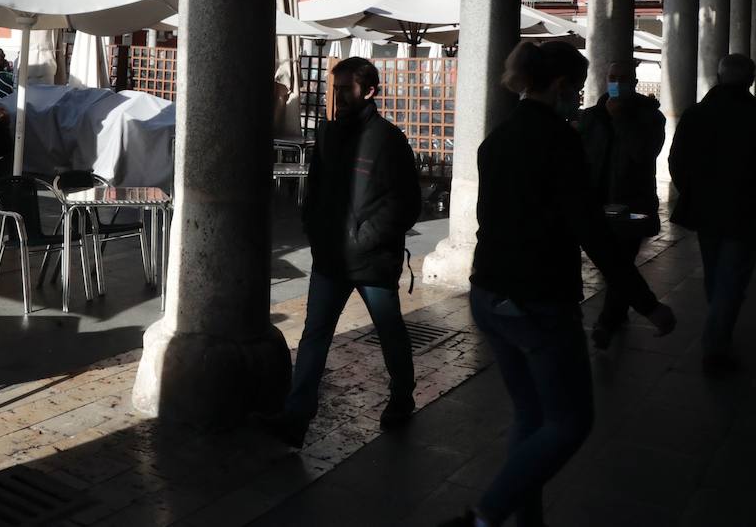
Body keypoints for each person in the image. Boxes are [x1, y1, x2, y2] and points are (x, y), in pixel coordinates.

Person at [446, 41, 675, 527]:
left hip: (490, 291)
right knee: (570, 422)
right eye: (577, 87)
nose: (581, 95)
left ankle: (524, 520)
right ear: (560, 86)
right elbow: (591, 230)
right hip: (538, 298)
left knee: (532, 418)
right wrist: (646, 303)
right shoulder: (560, 141)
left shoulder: (498, 137)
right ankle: (485, 516)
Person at [261, 57, 422, 447]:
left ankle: (402, 396)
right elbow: (315, 191)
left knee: (389, 330)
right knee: (315, 334)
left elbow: (405, 203)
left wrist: (364, 239)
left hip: (371, 258)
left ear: (369, 91)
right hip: (331, 256)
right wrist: (315, 230)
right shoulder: (329, 136)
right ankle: (297, 416)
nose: (339, 97)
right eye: (335, 90)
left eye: (346, 89)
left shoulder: (389, 140)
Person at [669, 54, 756, 373]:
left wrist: (693, 193)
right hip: (749, 211)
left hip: (706, 210)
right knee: (732, 277)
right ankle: (715, 345)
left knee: (715, 272)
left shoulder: (696, 115)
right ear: (750, 81)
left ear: (718, 78)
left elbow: (676, 161)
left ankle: (719, 327)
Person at [576, 59, 666, 349]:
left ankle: (606, 322)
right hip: (599, 203)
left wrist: (621, 120)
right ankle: (619, 310)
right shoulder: (592, 116)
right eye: (612, 77)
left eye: (623, 78)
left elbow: (643, 153)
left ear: (635, 83)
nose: (616, 82)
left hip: (632, 203)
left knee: (621, 262)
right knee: (612, 264)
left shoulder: (651, 117)